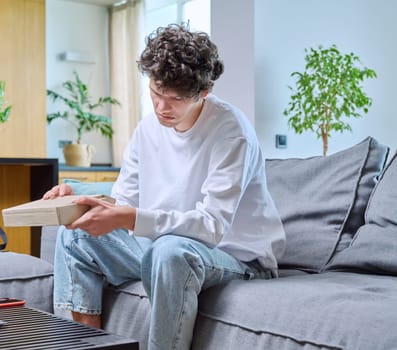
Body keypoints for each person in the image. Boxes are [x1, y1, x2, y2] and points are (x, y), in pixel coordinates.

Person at [43, 23, 286, 350]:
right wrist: (81, 203)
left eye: (174, 99)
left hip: (236, 257)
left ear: (204, 93)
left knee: (169, 250)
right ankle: (85, 346)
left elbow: (211, 227)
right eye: (156, 93)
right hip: (160, 247)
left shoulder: (232, 132)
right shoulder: (147, 130)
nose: (162, 108)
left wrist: (129, 218)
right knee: (75, 235)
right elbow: (123, 203)